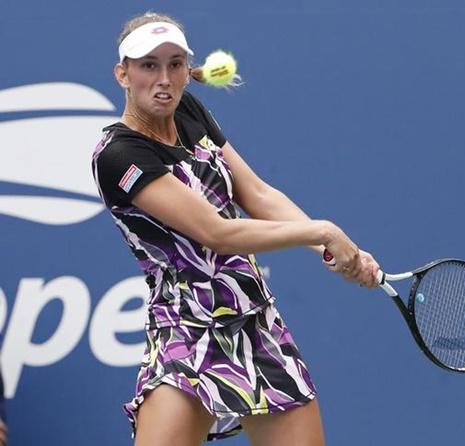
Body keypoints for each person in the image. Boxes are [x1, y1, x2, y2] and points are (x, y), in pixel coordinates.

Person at [92, 12, 379, 446]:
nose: (164, 78)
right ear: (123, 74)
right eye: (148, 65)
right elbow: (216, 233)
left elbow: (258, 194)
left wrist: (339, 249)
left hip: (254, 322)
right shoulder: (118, 155)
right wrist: (321, 231)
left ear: (189, 70)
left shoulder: (189, 111)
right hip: (186, 331)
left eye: (174, 64)